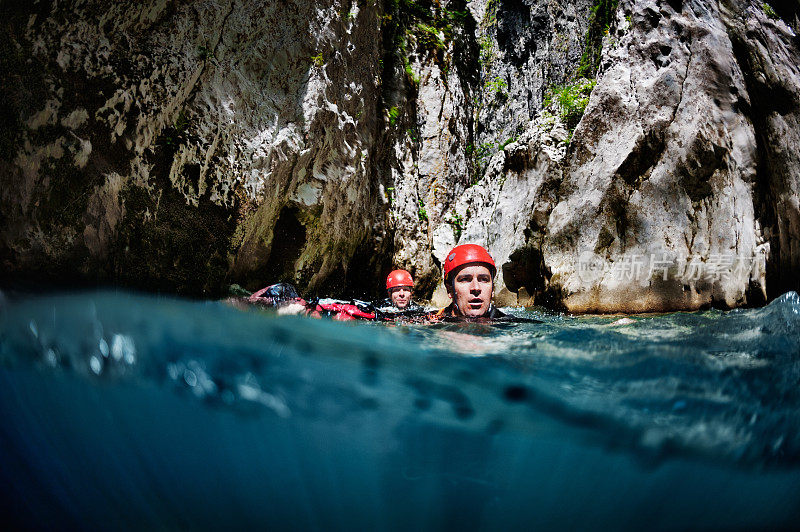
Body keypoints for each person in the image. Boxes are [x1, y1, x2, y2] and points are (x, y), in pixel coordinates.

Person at [434, 244, 506, 319]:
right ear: (449, 290)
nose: (476, 288)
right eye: (465, 279)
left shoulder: (507, 324)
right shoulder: (431, 321)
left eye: (484, 279)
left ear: (493, 289)